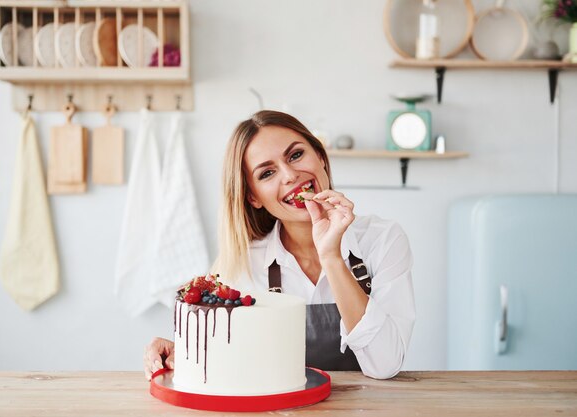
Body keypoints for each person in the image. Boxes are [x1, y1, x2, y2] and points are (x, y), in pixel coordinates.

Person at [144, 110, 415, 380]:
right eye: (267, 173)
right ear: (253, 197)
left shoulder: (383, 240)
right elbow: (231, 357)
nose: (289, 175)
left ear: (320, 157)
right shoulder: (244, 264)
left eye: (296, 155)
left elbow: (385, 365)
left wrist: (331, 257)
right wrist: (184, 352)